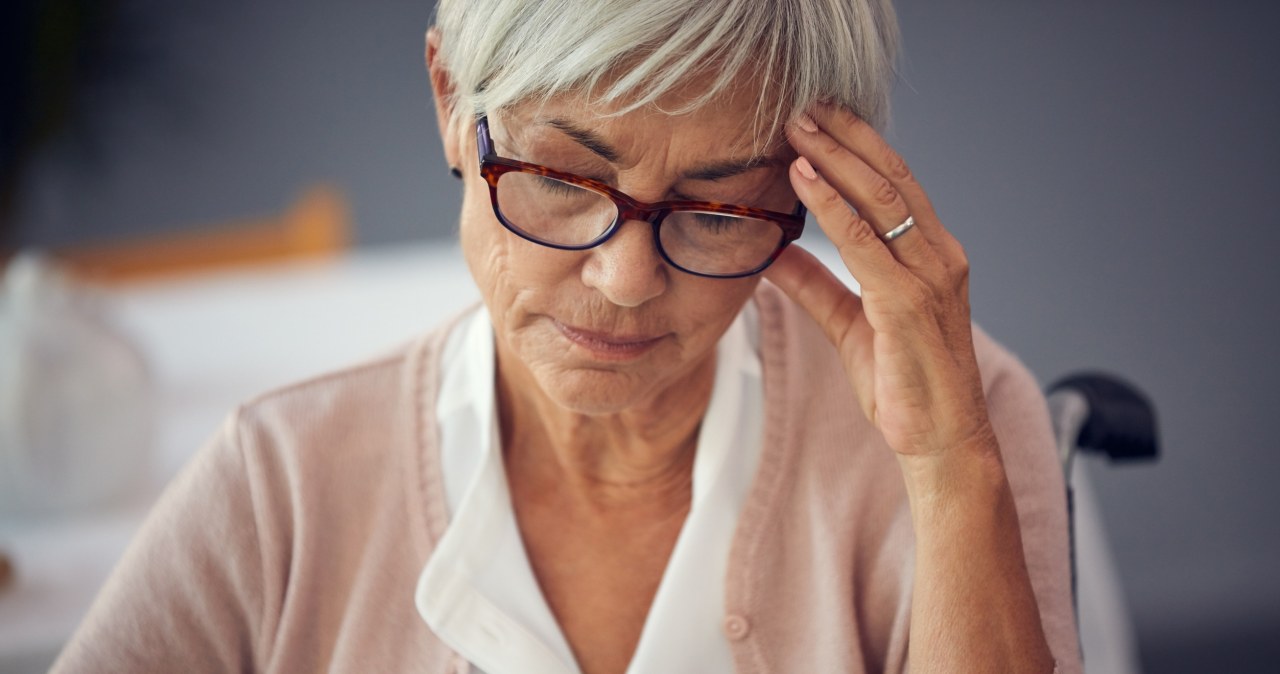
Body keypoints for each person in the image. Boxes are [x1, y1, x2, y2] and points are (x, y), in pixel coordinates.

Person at [53, 0, 1080, 672]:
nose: (625, 279)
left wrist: (950, 471)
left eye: (716, 210)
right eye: (558, 180)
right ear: (453, 104)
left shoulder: (951, 422)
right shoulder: (281, 487)